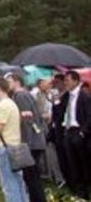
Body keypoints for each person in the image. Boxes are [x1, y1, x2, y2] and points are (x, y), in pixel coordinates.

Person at [0, 77, 28, 202]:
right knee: (18, 182)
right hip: (15, 145)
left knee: (9, 184)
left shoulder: (2, 105)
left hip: (5, 148)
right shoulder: (11, 103)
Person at [7, 72, 47, 202]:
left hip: (30, 142)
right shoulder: (26, 94)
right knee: (33, 176)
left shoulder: (20, 96)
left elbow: (27, 121)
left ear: (17, 81)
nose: (7, 84)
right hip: (36, 140)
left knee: (31, 177)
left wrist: (26, 144)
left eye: (9, 81)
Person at [60, 70, 91, 198]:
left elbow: (90, 116)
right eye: (65, 80)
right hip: (68, 131)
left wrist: (83, 132)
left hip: (79, 132)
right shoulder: (66, 96)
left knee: (83, 162)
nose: (65, 83)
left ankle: (86, 188)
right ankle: (79, 191)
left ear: (76, 81)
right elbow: (61, 112)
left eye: (67, 80)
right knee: (72, 163)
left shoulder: (84, 96)